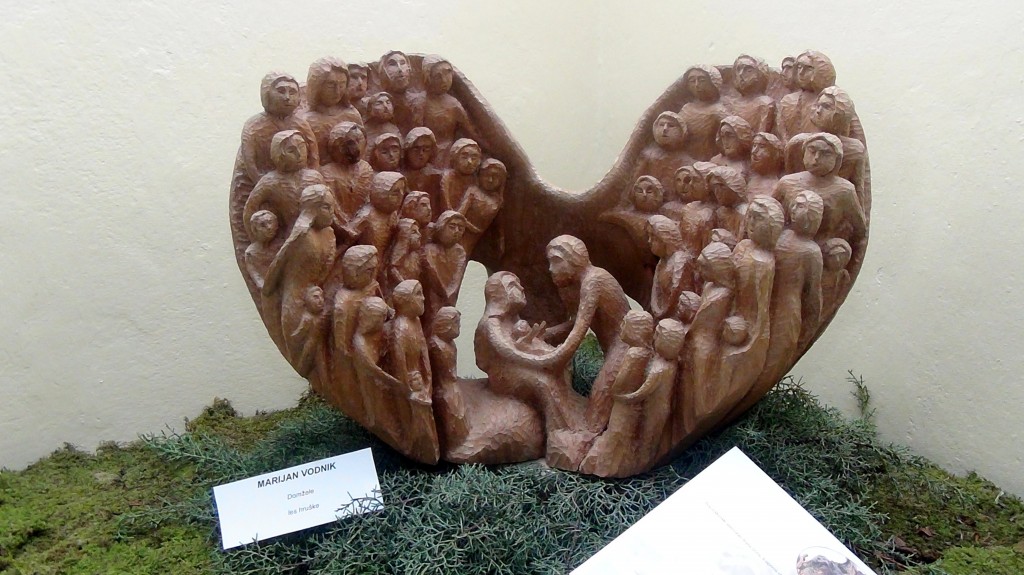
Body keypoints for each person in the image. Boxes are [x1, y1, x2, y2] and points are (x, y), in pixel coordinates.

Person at [238, 72, 318, 189]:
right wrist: (265, 185)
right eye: (281, 91)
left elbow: (313, 156)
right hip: (261, 185)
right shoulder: (253, 126)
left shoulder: (301, 124)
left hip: (299, 184)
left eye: (292, 92)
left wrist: (311, 181)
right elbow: (250, 162)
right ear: (267, 95)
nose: (287, 97)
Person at [243, 130, 326, 241]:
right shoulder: (270, 181)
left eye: (301, 147)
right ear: (278, 155)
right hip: (288, 238)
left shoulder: (314, 177)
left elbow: (329, 207)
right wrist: (257, 240)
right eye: (291, 150)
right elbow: (250, 209)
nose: (299, 154)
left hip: (318, 235)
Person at [421, 55, 478, 167]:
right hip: (425, 158)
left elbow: (471, 133)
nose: (444, 80)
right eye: (438, 76)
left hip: (448, 157)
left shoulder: (454, 104)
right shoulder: (420, 102)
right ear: (428, 78)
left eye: (448, 73)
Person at [302, 57, 362, 160]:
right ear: (317, 86)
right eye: (331, 85)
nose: (337, 91)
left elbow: (361, 148)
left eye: (342, 85)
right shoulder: (307, 120)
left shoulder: (352, 115)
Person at [319, 121, 374, 222]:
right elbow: (331, 205)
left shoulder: (366, 169)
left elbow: (369, 201)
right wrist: (344, 225)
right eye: (349, 143)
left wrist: (358, 222)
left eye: (359, 140)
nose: (356, 148)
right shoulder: (327, 172)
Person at [634, 111, 695, 192]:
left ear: (681, 131)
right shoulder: (647, 155)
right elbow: (634, 185)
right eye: (661, 125)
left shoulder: (687, 162)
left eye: (671, 126)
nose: (665, 129)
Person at [678, 65, 727, 161]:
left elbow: (735, 136)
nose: (696, 85)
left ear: (713, 83)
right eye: (692, 81)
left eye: (702, 80)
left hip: (709, 163)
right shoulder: (686, 109)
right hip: (685, 161)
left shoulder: (718, 110)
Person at [726, 54, 775, 133]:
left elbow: (761, 136)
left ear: (760, 74)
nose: (740, 74)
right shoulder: (730, 104)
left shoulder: (765, 103)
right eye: (738, 70)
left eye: (748, 70)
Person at [710, 116, 754, 181]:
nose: (725, 141)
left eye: (730, 136)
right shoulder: (715, 162)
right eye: (722, 136)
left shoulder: (753, 163)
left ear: (741, 137)